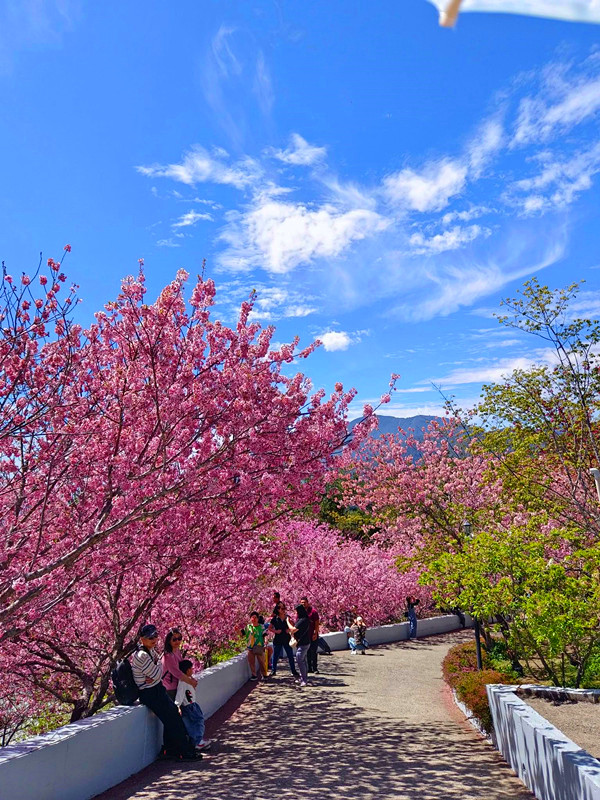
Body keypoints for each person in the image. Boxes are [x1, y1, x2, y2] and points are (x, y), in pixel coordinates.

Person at [132, 624, 201, 762]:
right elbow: (159, 672)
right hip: (149, 692)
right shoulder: (142, 655)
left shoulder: (150, 652)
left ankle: (169, 750)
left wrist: (156, 670)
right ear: (142, 639)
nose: (154, 639)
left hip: (157, 689)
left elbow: (157, 672)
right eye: (150, 637)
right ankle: (184, 752)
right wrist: (157, 669)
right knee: (173, 719)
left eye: (155, 636)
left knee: (172, 717)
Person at [175, 659, 211, 751]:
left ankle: (195, 742)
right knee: (198, 722)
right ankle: (198, 742)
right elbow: (180, 694)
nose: (192, 670)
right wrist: (177, 705)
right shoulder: (183, 682)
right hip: (190, 706)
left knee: (191, 724)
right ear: (187, 670)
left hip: (190, 706)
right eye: (191, 668)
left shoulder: (188, 680)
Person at [161, 628, 198, 701]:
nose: (177, 641)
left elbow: (182, 667)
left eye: (179, 638)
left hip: (178, 685)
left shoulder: (177, 651)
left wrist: (191, 677)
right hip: (170, 689)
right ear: (169, 641)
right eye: (174, 639)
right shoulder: (168, 656)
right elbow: (177, 673)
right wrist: (191, 682)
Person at [269, 602, 299, 677]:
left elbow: (293, 626)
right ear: (278, 609)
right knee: (275, 655)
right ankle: (273, 670)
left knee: (290, 655)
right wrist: (276, 631)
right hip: (278, 639)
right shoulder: (275, 619)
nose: (283, 610)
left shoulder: (287, 618)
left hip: (286, 639)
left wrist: (288, 630)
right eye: (282, 609)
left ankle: (293, 670)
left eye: (284, 608)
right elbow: (270, 628)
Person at [289, 604, 311, 687]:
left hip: (304, 643)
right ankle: (303, 678)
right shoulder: (301, 619)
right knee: (302, 661)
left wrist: (287, 622)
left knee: (300, 660)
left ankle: (304, 680)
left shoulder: (303, 620)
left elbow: (293, 629)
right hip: (302, 643)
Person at [245, 611, 268, 681]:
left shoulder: (261, 627)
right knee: (251, 662)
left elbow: (265, 635)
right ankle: (254, 675)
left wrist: (266, 641)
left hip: (259, 647)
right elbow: (242, 633)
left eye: (255, 617)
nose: (254, 619)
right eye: (252, 617)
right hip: (250, 647)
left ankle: (264, 675)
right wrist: (237, 630)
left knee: (261, 662)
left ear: (258, 619)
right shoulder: (248, 627)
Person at [301, 596, 320, 674]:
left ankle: (315, 667)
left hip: (313, 635)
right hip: (305, 636)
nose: (303, 604)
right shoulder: (301, 612)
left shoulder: (313, 612)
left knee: (313, 651)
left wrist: (315, 633)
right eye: (301, 603)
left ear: (307, 603)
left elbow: (317, 624)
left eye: (304, 602)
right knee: (307, 652)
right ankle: (309, 668)